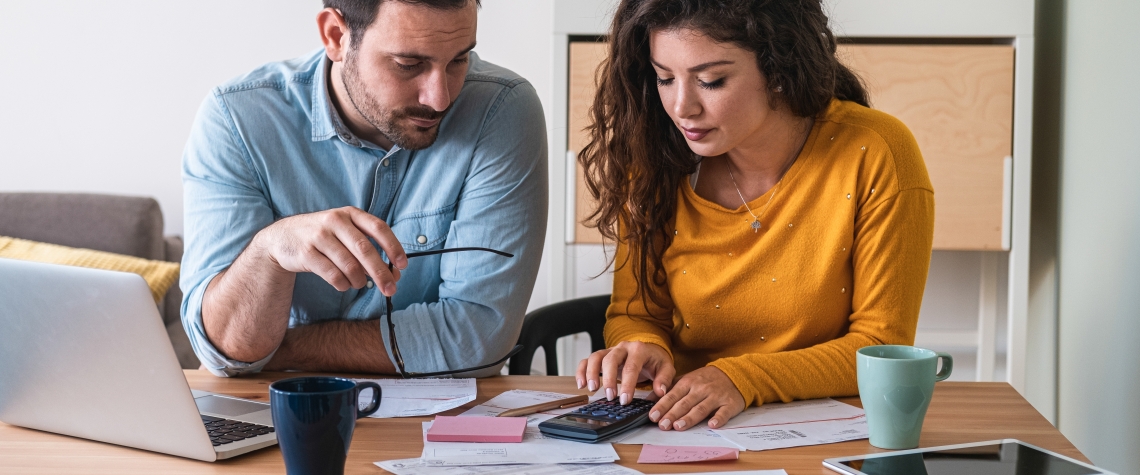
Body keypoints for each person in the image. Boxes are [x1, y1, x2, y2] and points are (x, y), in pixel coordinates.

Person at [575, 0, 935, 432]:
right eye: (665, 78)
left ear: (779, 69)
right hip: (681, 424)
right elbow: (636, 313)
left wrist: (741, 379)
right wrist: (643, 346)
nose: (681, 107)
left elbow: (881, 346)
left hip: (825, 431)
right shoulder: (655, 158)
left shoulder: (877, 152)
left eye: (711, 81)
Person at [180, 0, 547, 378]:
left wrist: (280, 350)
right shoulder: (237, 121)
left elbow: (478, 339)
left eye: (458, 60)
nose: (440, 98)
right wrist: (270, 250)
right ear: (336, 36)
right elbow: (225, 343)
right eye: (409, 65)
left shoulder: (501, 109)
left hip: (436, 424)